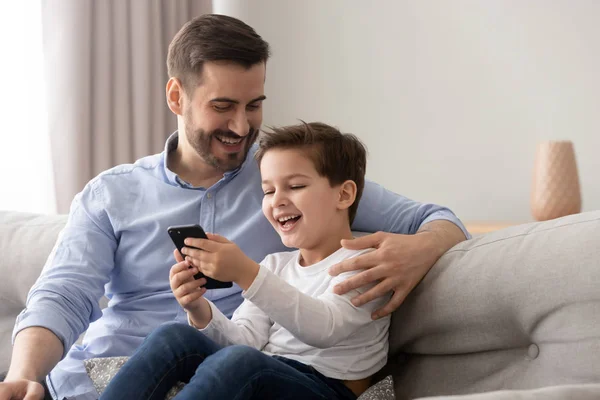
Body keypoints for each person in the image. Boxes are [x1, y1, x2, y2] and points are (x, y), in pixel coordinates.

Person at [0, 14, 468, 400]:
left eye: (254, 104)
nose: (242, 126)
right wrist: (24, 375)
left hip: (240, 376)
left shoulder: (291, 174)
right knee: (182, 344)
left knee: (235, 363)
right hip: (109, 378)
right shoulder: (112, 193)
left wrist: (418, 251)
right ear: (177, 97)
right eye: (223, 106)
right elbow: (62, 294)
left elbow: (435, 221)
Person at [100, 122, 390, 400]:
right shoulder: (275, 265)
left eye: (296, 186)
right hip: (264, 371)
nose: (277, 201)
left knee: (242, 362)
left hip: (327, 388)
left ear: (344, 194)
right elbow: (245, 340)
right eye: (268, 191)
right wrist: (199, 309)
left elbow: (324, 328)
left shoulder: (366, 263)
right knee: (172, 336)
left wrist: (245, 272)